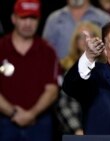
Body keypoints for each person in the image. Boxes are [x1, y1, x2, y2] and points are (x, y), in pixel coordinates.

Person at [0, 0, 59, 141]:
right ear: (13, 19)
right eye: (23, 17)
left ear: (39, 21)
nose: (28, 24)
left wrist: (31, 114)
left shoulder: (48, 51)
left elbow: (52, 90)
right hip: (3, 121)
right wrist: (14, 113)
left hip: (40, 122)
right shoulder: (1, 47)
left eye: (33, 18)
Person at [57, 21, 105, 135]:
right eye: (81, 37)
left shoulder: (108, 68)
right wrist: (78, 130)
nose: (86, 40)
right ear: (75, 41)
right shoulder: (64, 66)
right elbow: (63, 103)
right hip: (75, 130)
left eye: (91, 35)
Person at [43, 0, 110, 60]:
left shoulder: (104, 19)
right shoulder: (53, 20)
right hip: (62, 72)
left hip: (97, 71)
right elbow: (44, 52)